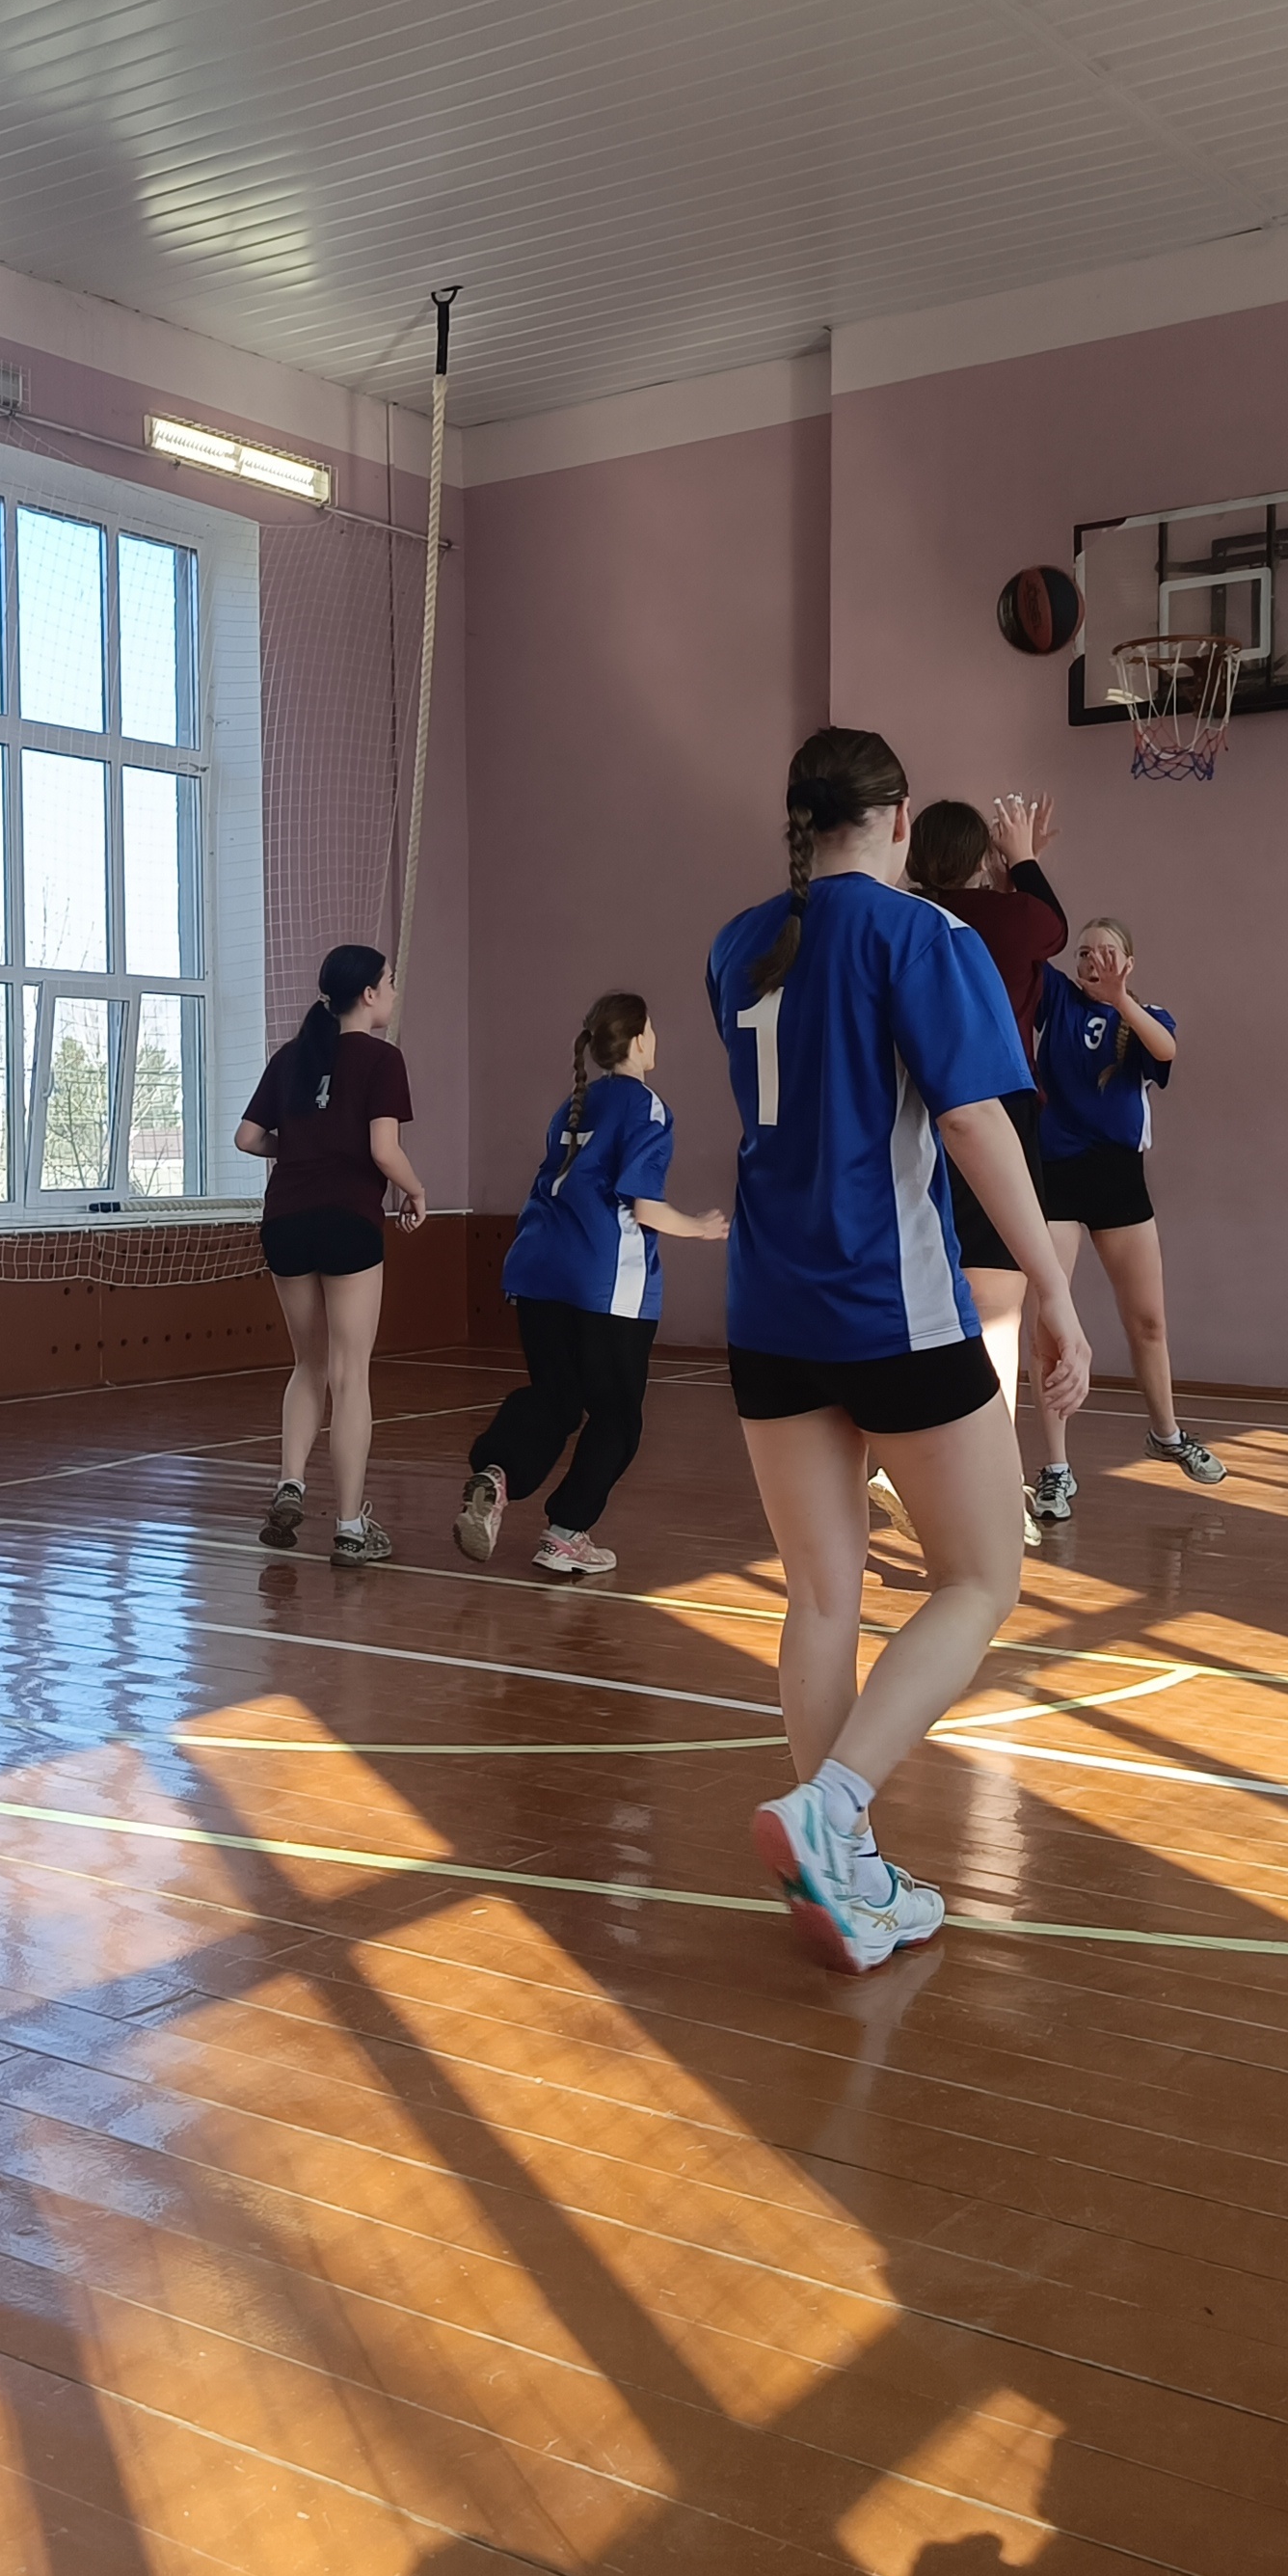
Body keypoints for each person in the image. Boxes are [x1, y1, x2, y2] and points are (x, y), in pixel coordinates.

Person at [709, 726, 1089, 1975]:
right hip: (890, 1306)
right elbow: (974, 1125)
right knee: (982, 1578)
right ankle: (832, 1812)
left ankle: (849, 1872)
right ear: (902, 817)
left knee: (823, 1594)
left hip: (766, 1312)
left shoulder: (737, 944)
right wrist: (1052, 1288)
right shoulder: (926, 936)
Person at [454, 992, 729, 1579]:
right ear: (638, 1040)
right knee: (617, 1417)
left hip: (536, 1269)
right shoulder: (646, 1107)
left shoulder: (573, 1105)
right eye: (653, 1029)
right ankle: (565, 1535)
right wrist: (700, 1227)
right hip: (603, 1283)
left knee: (556, 1397)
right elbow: (645, 1207)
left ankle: (497, 1473)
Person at [903, 792, 1068, 1545]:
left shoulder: (905, 917)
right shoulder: (1006, 918)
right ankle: (994, 1496)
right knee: (998, 1303)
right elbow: (1051, 924)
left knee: (934, 1298)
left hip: (912, 1115)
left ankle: (912, 1460)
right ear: (981, 859)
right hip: (992, 1109)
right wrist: (1022, 860)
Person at [237, 945, 425, 1567]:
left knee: (308, 1363)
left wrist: (299, 1150)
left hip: (285, 1221)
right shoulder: (383, 1059)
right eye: (389, 982)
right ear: (368, 994)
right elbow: (383, 1150)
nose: (392, 991)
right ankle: (348, 1527)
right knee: (350, 1374)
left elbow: (247, 1138)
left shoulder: (291, 1057)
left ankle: (290, 1483)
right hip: (348, 1220)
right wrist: (416, 1190)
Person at [1030, 918, 1224, 1515]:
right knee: (1051, 1327)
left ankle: (1166, 1434)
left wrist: (1121, 1000)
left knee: (1148, 1321)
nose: (1093, 961)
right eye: (1084, 952)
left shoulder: (1145, 1017)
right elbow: (1028, 939)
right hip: (1057, 1177)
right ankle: (1056, 1468)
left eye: (1107, 952)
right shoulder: (1057, 999)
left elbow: (1166, 1051)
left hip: (1117, 1180)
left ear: (1129, 961)